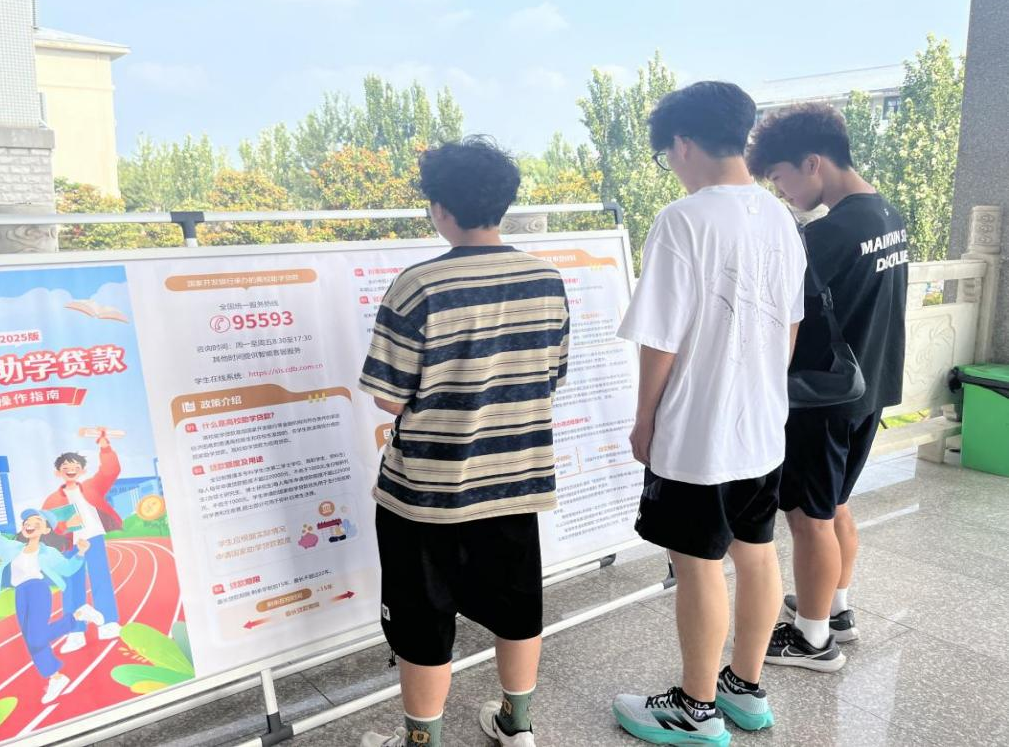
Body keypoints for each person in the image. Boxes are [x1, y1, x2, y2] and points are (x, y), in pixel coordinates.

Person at [358, 136, 570, 747]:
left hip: (427, 493)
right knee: (517, 604)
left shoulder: (419, 285)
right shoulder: (546, 278)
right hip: (516, 480)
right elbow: (552, 374)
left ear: (440, 208)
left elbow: (388, 397)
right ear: (503, 202)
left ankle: (421, 742)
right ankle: (517, 725)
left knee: (422, 620)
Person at [612, 82, 806, 746]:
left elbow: (660, 338)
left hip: (700, 431)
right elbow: (791, 325)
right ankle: (745, 689)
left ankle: (694, 710)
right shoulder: (780, 216)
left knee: (696, 561)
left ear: (684, 143)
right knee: (757, 550)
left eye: (667, 153)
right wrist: (759, 388)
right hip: (763, 426)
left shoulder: (683, 219)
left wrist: (645, 418)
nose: (672, 166)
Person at [747, 103, 909, 670]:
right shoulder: (886, 214)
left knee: (808, 517)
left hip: (821, 395)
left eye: (781, 178)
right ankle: (836, 608)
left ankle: (812, 639)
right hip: (871, 385)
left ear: (812, 163)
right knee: (836, 504)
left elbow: (780, 314)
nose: (783, 192)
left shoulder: (827, 234)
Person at [0, 503, 103, 704]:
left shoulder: (49, 553)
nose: (30, 524)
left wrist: (80, 553)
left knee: (37, 637)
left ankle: (79, 616)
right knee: (31, 641)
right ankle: (56, 678)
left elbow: (68, 569)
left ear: (46, 530)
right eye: (27, 521)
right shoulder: (12, 548)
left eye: (37, 521)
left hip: (38, 591)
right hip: (20, 594)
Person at [42, 430, 123, 653]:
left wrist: (105, 447)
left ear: (82, 470)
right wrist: (65, 526)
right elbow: (46, 528)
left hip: (93, 538)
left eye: (75, 467)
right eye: (65, 467)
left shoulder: (92, 486)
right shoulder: (52, 500)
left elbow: (110, 471)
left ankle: (108, 623)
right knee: (71, 587)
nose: (71, 470)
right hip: (70, 545)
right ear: (58, 472)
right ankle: (76, 632)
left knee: (101, 580)